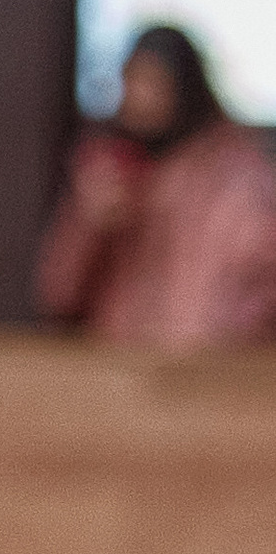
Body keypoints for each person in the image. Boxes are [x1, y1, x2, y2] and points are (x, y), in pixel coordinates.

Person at [37, 21, 276, 348]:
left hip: (207, 375)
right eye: (132, 81)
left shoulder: (240, 179)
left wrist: (218, 352)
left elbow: (261, 288)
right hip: (117, 374)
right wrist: (90, 225)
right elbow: (58, 295)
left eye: (154, 82)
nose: (140, 97)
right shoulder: (110, 173)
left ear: (185, 86)